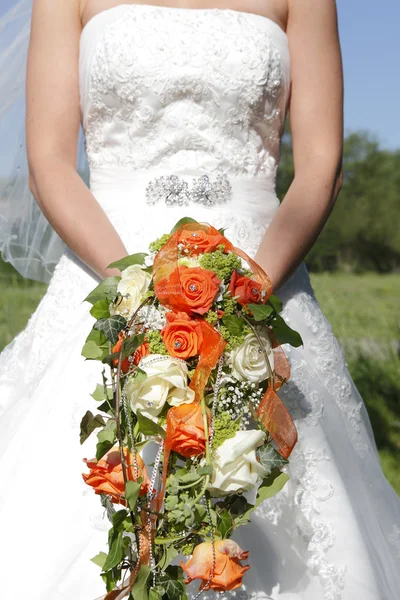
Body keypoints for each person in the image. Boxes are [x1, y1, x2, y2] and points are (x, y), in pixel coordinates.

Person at [0, 1, 399, 599]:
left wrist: (246, 297)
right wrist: (137, 292)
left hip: (263, 275)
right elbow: (50, 162)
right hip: (108, 270)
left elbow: (320, 164)